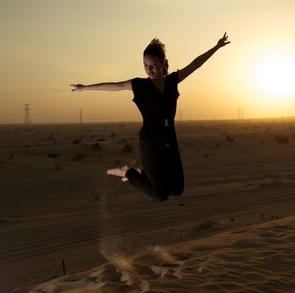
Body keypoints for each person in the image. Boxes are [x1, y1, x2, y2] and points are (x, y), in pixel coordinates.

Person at [70, 33, 231, 201]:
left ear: (164, 64)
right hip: (150, 141)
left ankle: (143, 174)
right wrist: (86, 87)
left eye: (153, 65)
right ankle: (128, 172)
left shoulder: (172, 82)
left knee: (177, 189)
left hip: (169, 139)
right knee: (160, 195)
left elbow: (195, 64)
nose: (149, 70)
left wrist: (217, 46)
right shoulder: (140, 85)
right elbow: (114, 86)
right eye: (145, 65)